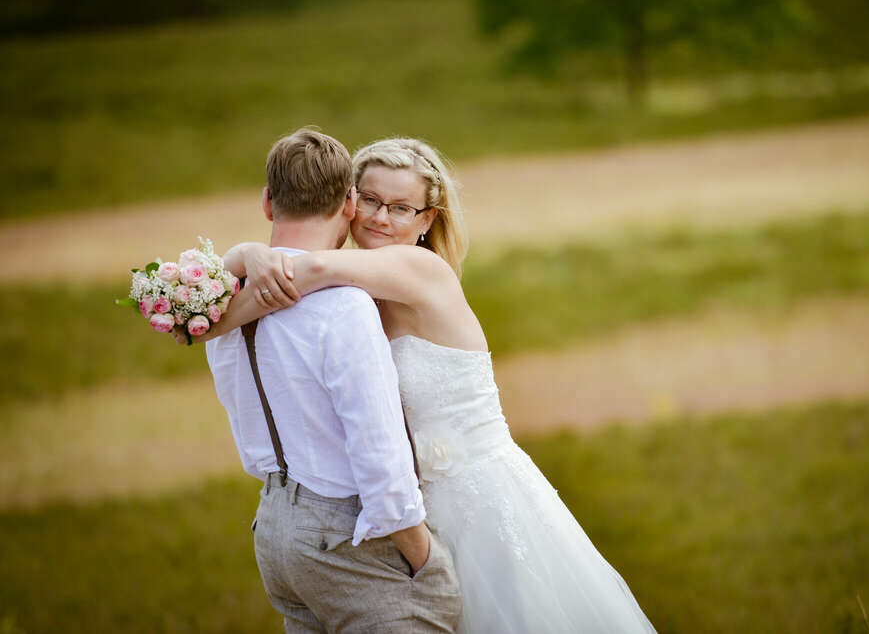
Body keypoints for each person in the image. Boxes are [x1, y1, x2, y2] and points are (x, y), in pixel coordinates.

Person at [203, 137, 655, 632]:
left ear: (427, 220)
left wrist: (240, 272)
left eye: (401, 208)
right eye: (371, 200)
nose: (380, 218)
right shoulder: (354, 294)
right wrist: (245, 260)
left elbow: (304, 266)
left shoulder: (422, 270)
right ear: (350, 201)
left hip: (478, 500)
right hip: (407, 510)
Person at [201, 129, 461, 633]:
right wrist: (423, 558)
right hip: (347, 534)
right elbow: (378, 449)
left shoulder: (223, 304)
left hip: (274, 525)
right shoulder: (345, 306)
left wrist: (246, 254)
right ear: (349, 204)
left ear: (267, 201)